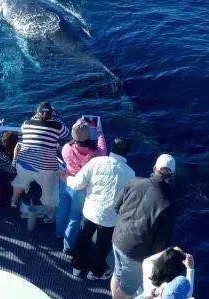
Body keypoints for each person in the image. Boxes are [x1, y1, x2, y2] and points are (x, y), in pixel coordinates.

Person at [60, 138, 135, 280]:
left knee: (83, 238)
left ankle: (77, 267)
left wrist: (66, 179)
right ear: (126, 153)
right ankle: (95, 272)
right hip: (110, 218)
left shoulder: (96, 162)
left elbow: (77, 183)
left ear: (112, 148)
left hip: (90, 211)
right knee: (102, 246)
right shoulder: (131, 174)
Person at [111, 154, 177, 299]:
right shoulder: (168, 203)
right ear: (171, 175)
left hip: (117, 238)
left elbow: (116, 206)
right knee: (128, 289)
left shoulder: (134, 182)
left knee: (117, 272)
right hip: (135, 252)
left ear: (154, 168)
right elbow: (161, 241)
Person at [11, 101, 69, 223]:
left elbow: (22, 136)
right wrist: (56, 117)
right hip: (45, 168)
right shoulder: (57, 125)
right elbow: (67, 133)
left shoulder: (26, 123)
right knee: (50, 193)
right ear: (52, 114)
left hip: (24, 164)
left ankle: (13, 202)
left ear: (37, 113)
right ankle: (48, 216)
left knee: (20, 182)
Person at [56, 118, 108, 254]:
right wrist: (99, 132)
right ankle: (67, 247)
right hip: (81, 189)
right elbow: (103, 150)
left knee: (62, 209)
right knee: (75, 217)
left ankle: (59, 233)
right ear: (89, 136)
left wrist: (79, 122)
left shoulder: (66, 148)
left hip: (66, 181)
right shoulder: (96, 154)